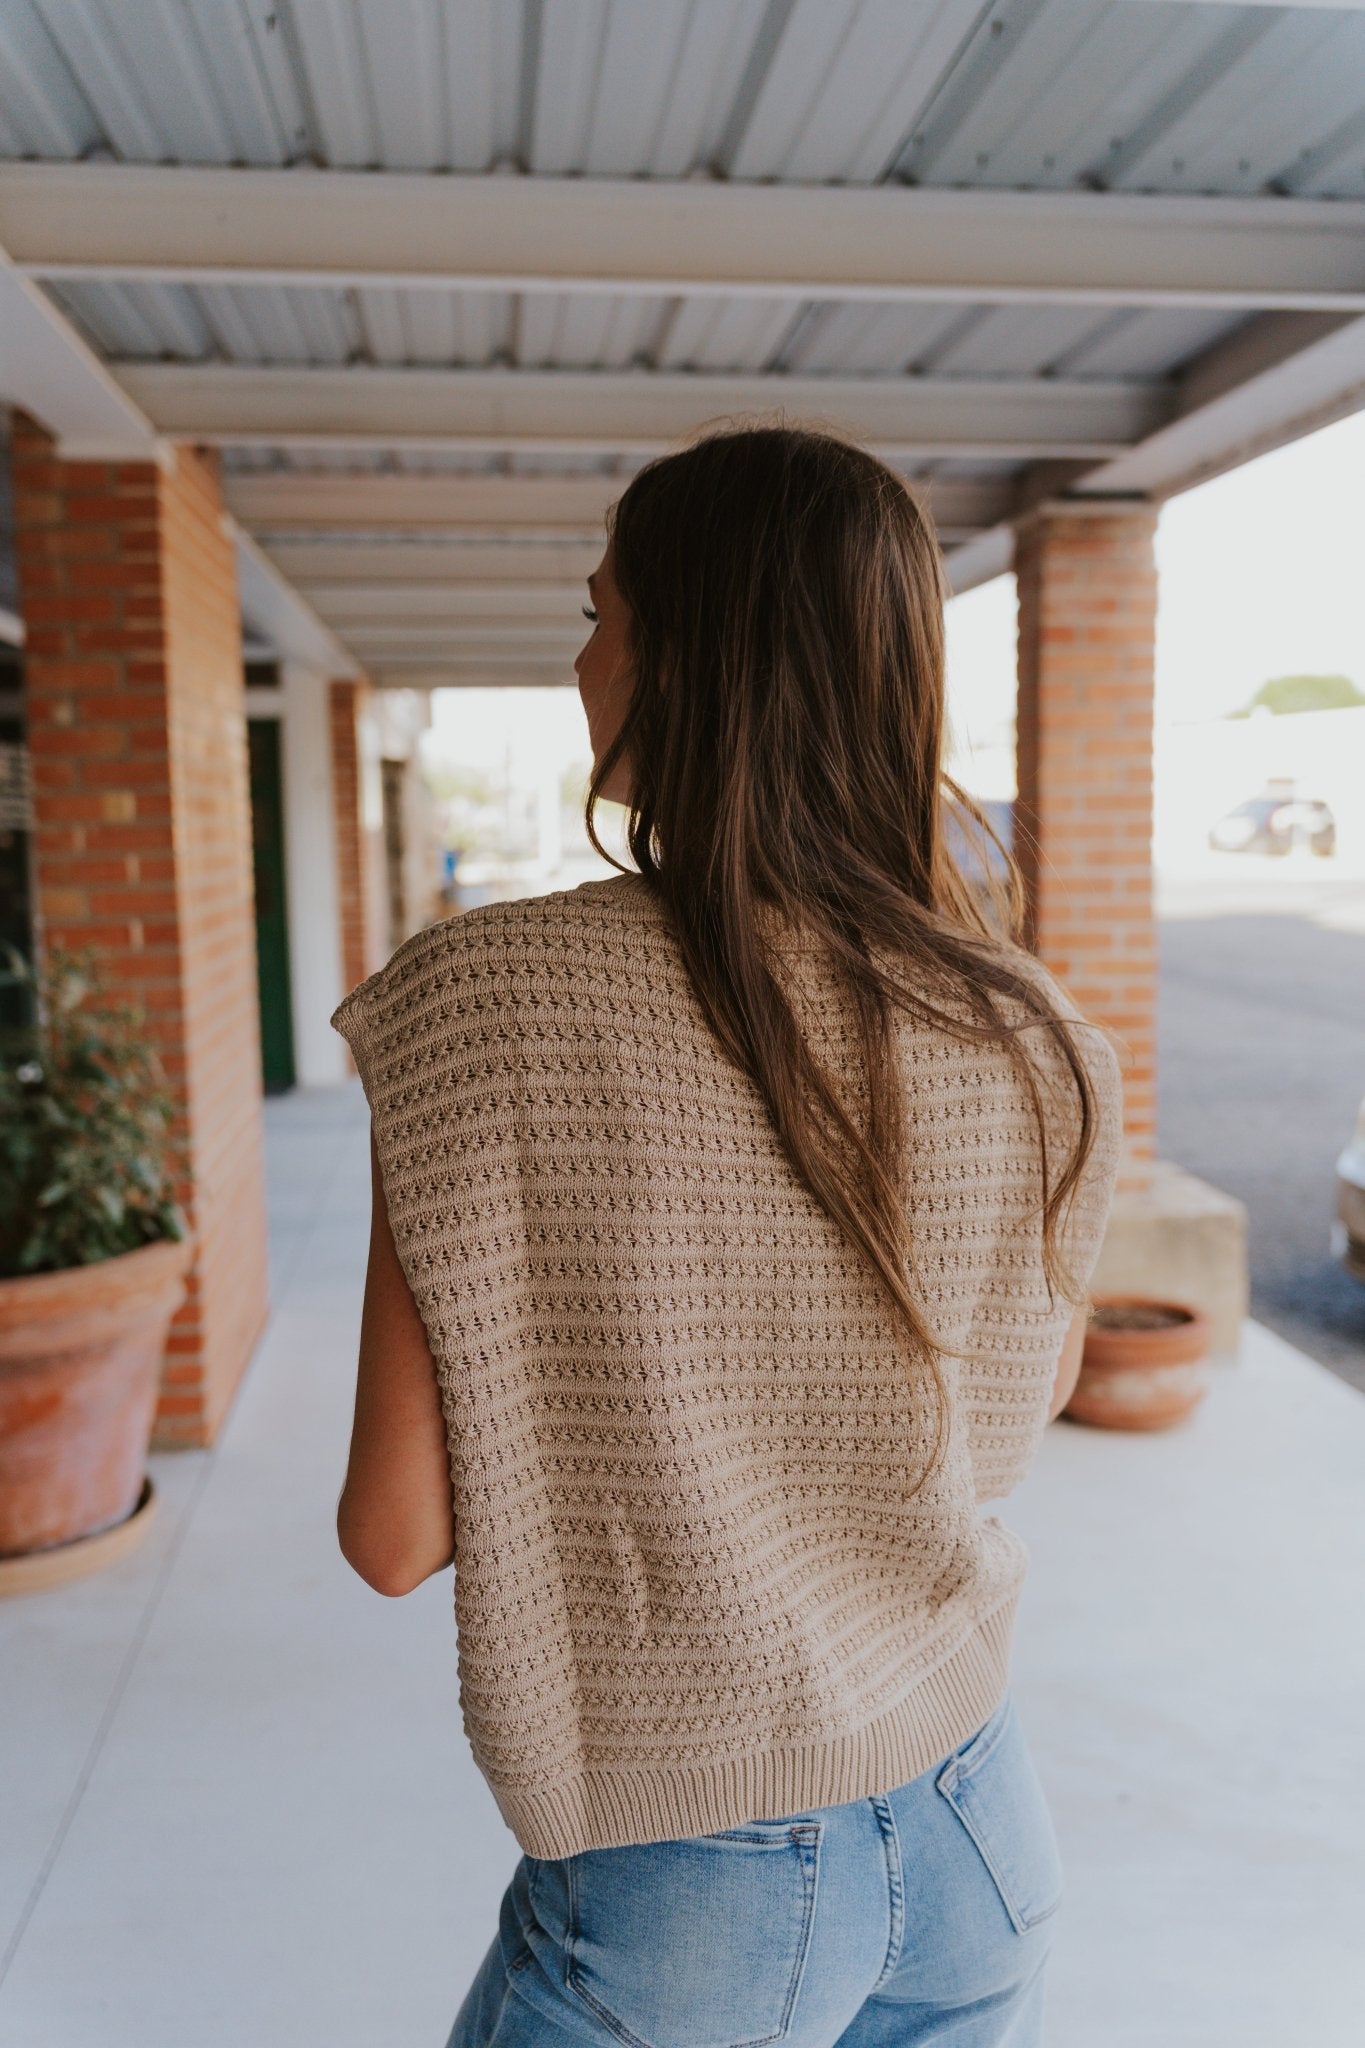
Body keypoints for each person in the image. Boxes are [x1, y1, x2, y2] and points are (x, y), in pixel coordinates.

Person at [331, 424, 1125, 2047]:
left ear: (680, 653)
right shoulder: (1030, 1024)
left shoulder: (483, 1009)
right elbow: (1007, 1414)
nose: (581, 656)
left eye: (596, 609)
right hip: (977, 1809)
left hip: (686, 1887)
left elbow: (392, 1534)